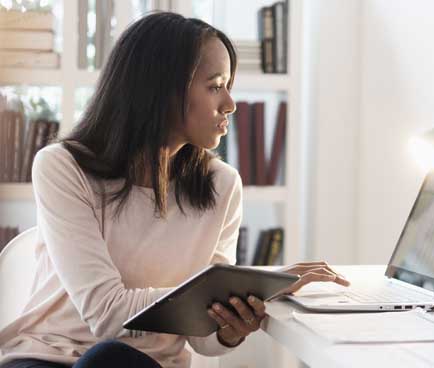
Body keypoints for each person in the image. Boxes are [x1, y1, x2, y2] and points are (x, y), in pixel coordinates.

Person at [0, 12, 349, 368]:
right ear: (161, 89)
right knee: (108, 357)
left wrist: (229, 326)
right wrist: (256, 282)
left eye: (228, 85)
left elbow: (203, 340)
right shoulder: (63, 166)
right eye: (215, 86)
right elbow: (104, 314)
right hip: (45, 358)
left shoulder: (222, 185)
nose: (230, 104)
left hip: (145, 365)